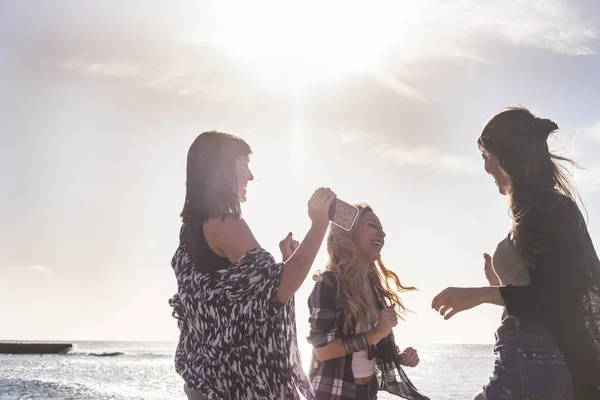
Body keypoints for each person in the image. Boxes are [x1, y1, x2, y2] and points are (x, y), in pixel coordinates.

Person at [432, 107, 600, 399]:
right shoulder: (540, 208)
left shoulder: (546, 208)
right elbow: (542, 289)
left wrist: (481, 294)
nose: (485, 168)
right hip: (531, 357)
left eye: (486, 157)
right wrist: (501, 287)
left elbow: (553, 297)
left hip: (544, 361)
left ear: (508, 157)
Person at [169, 131, 336, 400]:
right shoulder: (225, 223)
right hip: (229, 389)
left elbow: (241, 300)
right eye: (244, 164)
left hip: (203, 384)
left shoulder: (190, 229)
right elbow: (279, 290)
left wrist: (285, 263)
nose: (249, 175)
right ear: (223, 169)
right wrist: (319, 225)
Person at [307, 203, 429, 400]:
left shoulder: (374, 287)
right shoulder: (330, 282)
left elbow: (369, 348)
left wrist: (398, 357)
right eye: (373, 226)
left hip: (368, 393)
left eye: (382, 230)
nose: (382, 234)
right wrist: (376, 333)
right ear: (350, 232)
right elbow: (323, 350)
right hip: (331, 394)